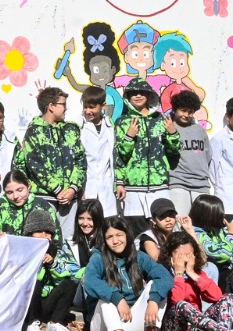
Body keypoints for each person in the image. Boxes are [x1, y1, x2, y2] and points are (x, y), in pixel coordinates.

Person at [80, 217, 172, 331]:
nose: (115, 241)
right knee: (106, 299)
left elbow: (164, 276)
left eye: (119, 235)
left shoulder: (138, 256)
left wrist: (153, 300)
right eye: (109, 237)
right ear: (103, 239)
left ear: (127, 235)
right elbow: (89, 281)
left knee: (157, 287)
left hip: (131, 322)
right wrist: (117, 298)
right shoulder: (98, 257)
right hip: (105, 330)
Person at [157, 230, 233, 331]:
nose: (184, 258)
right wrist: (178, 275)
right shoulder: (163, 274)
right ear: (170, 255)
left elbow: (216, 296)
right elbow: (176, 301)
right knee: (182, 305)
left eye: (189, 254)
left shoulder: (197, 274)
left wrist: (193, 275)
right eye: (180, 254)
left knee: (229, 297)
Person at [14, 87, 86, 237]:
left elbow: (81, 161)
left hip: (69, 199)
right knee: (44, 240)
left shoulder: (71, 130)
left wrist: (73, 188)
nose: (66, 108)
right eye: (63, 104)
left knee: (68, 241)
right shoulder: (34, 131)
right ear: (51, 107)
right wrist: (58, 189)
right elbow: (34, 166)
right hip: (44, 197)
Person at [113, 79, 180, 220]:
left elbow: (173, 151)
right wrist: (129, 137)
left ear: (149, 95)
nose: (138, 96)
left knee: (164, 229)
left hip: (159, 186)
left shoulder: (161, 120)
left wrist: (173, 133)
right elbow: (119, 155)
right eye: (133, 93)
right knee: (136, 231)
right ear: (127, 97)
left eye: (142, 92)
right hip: (133, 187)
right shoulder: (122, 121)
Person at [21, 210, 81, 331]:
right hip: (27, 304)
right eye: (39, 231)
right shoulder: (22, 249)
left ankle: (55, 323)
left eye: (48, 232)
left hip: (48, 302)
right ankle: (30, 322)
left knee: (69, 284)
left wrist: (53, 264)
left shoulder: (60, 249)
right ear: (29, 233)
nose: (44, 236)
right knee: (34, 283)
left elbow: (73, 272)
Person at [166, 90, 212, 216]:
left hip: (201, 184)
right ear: (175, 109)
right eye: (183, 110)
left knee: (203, 225)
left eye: (190, 111)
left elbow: (208, 155)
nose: (186, 114)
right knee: (180, 223)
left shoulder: (199, 130)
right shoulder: (168, 127)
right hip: (178, 183)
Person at [188, 194, 233, 278]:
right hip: (208, 274)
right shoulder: (195, 233)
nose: (222, 217)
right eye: (218, 215)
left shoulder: (216, 230)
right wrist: (230, 233)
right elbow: (223, 254)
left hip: (225, 271)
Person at [78, 87, 117, 215]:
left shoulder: (110, 126)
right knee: (89, 220)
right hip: (87, 185)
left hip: (107, 184)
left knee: (108, 220)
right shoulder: (79, 127)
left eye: (92, 107)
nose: (88, 111)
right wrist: (80, 187)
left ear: (103, 106)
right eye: (85, 107)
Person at [0, 171, 55, 236]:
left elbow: (55, 236)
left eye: (19, 190)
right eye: (10, 192)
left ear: (28, 186)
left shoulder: (41, 205)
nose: (15, 196)